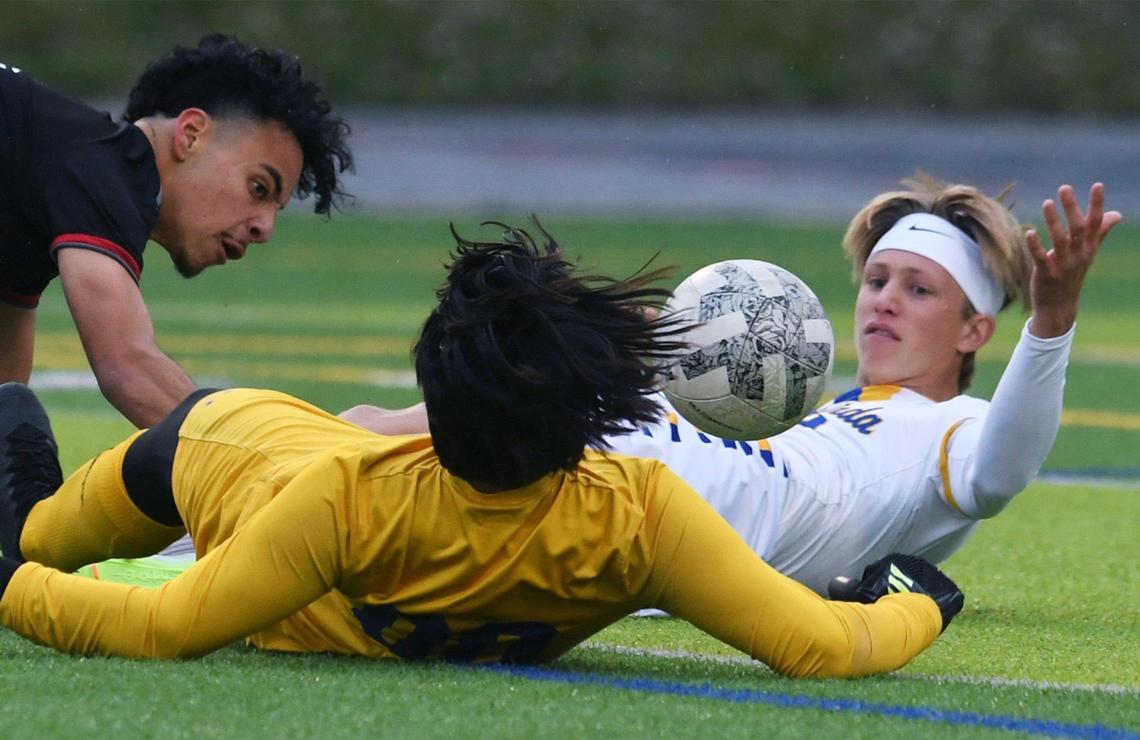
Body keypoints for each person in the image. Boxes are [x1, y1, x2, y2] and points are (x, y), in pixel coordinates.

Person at [0, 223, 962, 676]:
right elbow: (825, 646)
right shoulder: (640, 515)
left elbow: (170, 634)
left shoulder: (345, 498)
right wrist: (919, 603)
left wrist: (9, 585)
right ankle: (29, 494)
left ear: (437, 401)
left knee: (45, 552)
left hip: (254, 452)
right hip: (219, 448)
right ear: (595, 418)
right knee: (49, 532)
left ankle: (26, 512)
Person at [340, 178, 1120, 598]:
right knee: (379, 429)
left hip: (649, 509)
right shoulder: (819, 414)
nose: (883, 298)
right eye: (878, 278)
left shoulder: (953, 430)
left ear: (975, 331)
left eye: (920, 290)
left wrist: (1051, 323)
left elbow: (1000, 474)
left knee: (394, 486)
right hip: (635, 463)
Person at [0, 33, 352, 428]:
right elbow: (129, 368)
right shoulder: (105, 169)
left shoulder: (40, 186)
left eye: (275, 209)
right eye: (258, 188)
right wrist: (291, 457)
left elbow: (6, 406)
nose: (264, 228)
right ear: (191, 135)